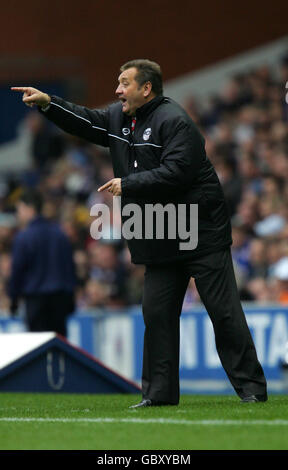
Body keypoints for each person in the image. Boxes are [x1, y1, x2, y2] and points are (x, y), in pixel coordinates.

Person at [11, 59, 267, 405]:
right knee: (157, 314)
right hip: (159, 234)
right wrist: (49, 103)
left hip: (199, 232)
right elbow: (88, 121)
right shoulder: (120, 118)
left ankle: (251, 388)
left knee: (223, 312)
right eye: (118, 83)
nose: (117, 91)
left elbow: (177, 172)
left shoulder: (176, 121)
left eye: (124, 83)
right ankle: (159, 395)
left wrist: (129, 184)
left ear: (147, 88)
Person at [8, 189, 76, 337]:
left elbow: (17, 271)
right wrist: (71, 298)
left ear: (29, 208)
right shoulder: (60, 234)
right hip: (60, 299)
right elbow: (70, 268)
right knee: (60, 345)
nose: (18, 214)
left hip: (36, 300)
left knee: (39, 346)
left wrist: (13, 299)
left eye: (20, 209)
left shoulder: (24, 238)